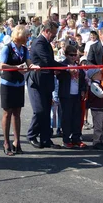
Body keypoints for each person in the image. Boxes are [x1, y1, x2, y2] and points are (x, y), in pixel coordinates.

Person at [0, 25, 36, 156]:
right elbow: (1, 65)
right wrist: (16, 67)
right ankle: (6, 142)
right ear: (19, 35)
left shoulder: (24, 49)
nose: (28, 37)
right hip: (7, 83)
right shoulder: (7, 48)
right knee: (7, 113)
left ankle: (17, 142)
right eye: (26, 35)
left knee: (17, 114)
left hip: (19, 84)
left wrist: (32, 66)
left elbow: (29, 62)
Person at [27, 20, 64, 149]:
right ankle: (31, 135)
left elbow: (50, 61)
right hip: (36, 82)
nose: (54, 37)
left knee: (47, 110)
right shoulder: (39, 43)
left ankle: (45, 138)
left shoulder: (47, 43)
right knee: (39, 110)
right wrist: (65, 66)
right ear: (47, 31)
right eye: (53, 34)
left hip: (46, 81)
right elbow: (48, 61)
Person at [58, 45, 87, 149]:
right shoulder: (62, 65)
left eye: (75, 55)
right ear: (66, 55)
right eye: (71, 55)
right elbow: (58, 75)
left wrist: (83, 90)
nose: (74, 57)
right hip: (66, 96)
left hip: (77, 95)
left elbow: (83, 80)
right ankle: (66, 139)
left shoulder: (78, 66)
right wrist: (67, 71)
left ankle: (76, 139)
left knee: (77, 118)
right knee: (66, 118)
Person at [86, 68, 103, 150]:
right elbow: (100, 94)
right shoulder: (94, 85)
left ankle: (101, 140)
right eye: (99, 73)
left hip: (101, 108)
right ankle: (96, 142)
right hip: (96, 108)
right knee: (98, 126)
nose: (101, 74)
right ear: (94, 76)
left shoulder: (98, 84)